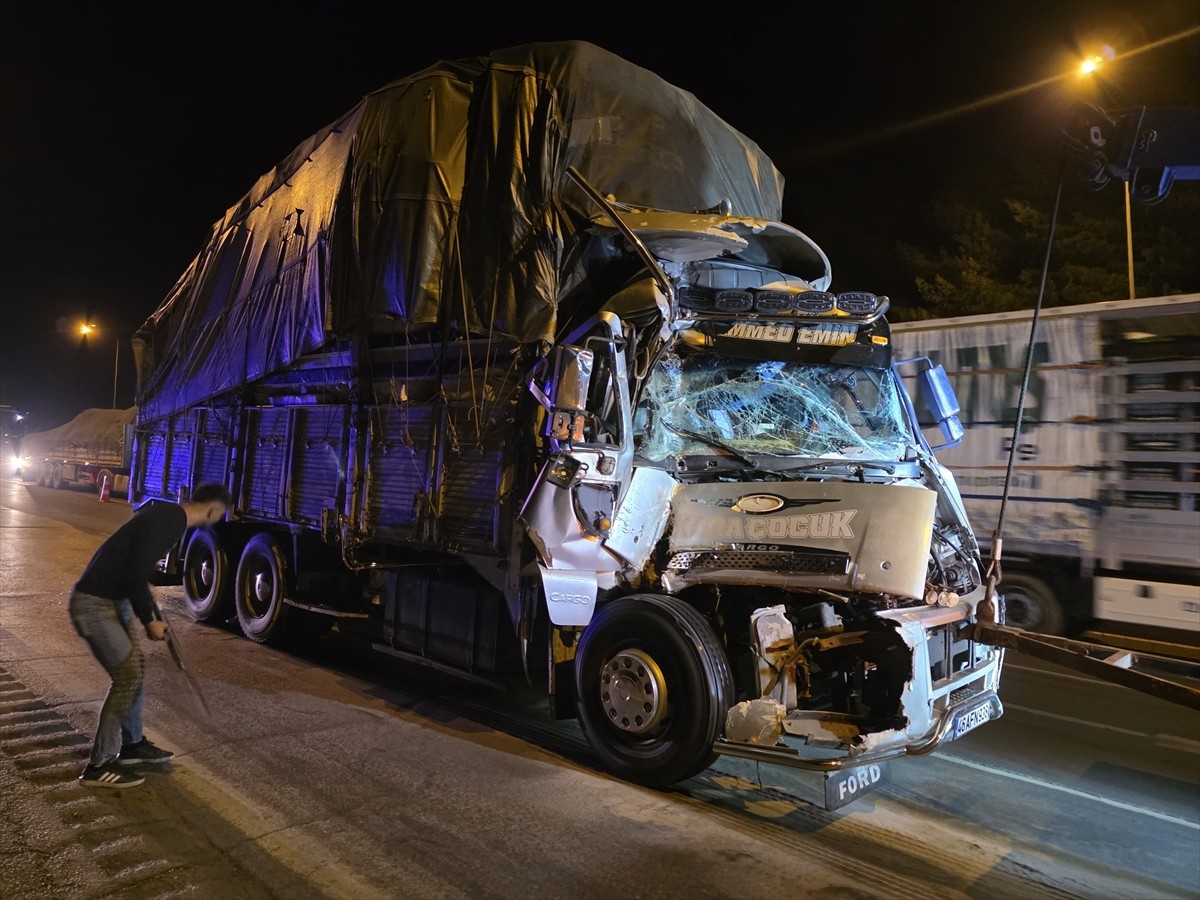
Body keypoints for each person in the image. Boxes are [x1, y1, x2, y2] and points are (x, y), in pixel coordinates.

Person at [70, 482, 233, 788]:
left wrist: (146, 592)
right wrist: (149, 620)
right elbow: (133, 572)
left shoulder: (167, 514)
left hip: (109, 601)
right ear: (213, 510)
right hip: (94, 605)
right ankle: (99, 765)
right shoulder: (172, 522)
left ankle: (132, 747)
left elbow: (130, 563)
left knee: (136, 670)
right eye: (220, 514)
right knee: (127, 677)